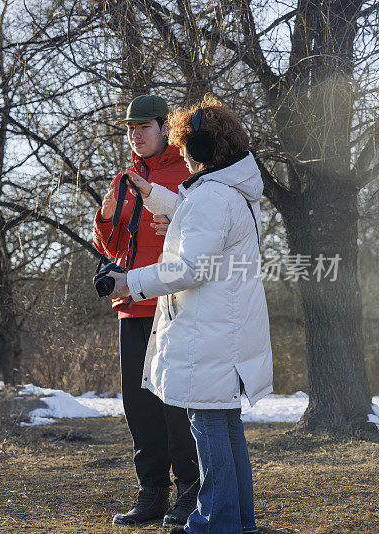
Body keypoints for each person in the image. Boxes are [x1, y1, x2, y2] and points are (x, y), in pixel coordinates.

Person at [105, 93, 272, 534]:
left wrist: (130, 282)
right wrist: (156, 196)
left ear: (198, 148)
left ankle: (212, 525)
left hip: (208, 334)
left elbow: (190, 267)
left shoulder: (213, 196)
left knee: (211, 432)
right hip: (226, 331)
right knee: (227, 433)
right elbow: (199, 218)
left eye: (184, 144)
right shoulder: (230, 191)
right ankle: (237, 523)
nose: (181, 152)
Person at [93, 94, 200, 527]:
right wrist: (103, 219)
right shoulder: (124, 179)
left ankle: (191, 494)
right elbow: (111, 247)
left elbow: (204, 235)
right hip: (131, 306)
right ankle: (152, 494)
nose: (135, 136)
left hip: (174, 305)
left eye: (143, 128)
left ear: (163, 128)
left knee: (175, 404)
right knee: (140, 407)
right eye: (130, 129)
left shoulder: (189, 174)